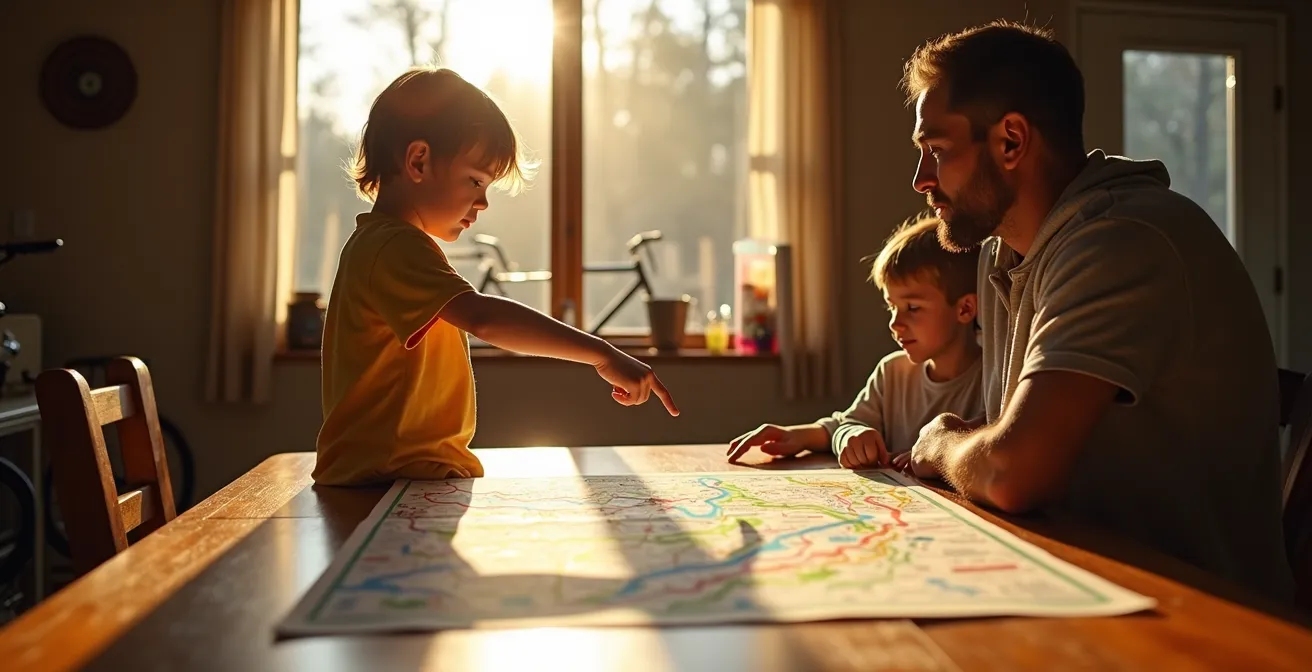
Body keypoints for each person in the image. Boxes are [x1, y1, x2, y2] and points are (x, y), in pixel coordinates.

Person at [898, 20, 1293, 600]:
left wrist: (937, 443)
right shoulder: (1003, 252)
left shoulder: (1122, 241)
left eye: (936, 150)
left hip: (1203, 619)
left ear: (1011, 140)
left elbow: (1012, 474)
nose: (920, 179)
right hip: (1076, 579)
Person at [314, 67, 678, 487]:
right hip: (383, 483)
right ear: (418, 160)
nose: (483, 202)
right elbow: (484, 318)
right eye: (475, 181)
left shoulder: (386, 245)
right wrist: (602, 353)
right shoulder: (392, 247)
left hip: (406, 479)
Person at [726, 212, 984, 468]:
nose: (895, 323)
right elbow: (847, 424)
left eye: (912, 308)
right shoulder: (892, 373)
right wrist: (840, 436)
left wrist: (938, 461)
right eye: (891, 307)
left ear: (964, 309)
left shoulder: (995, 379)